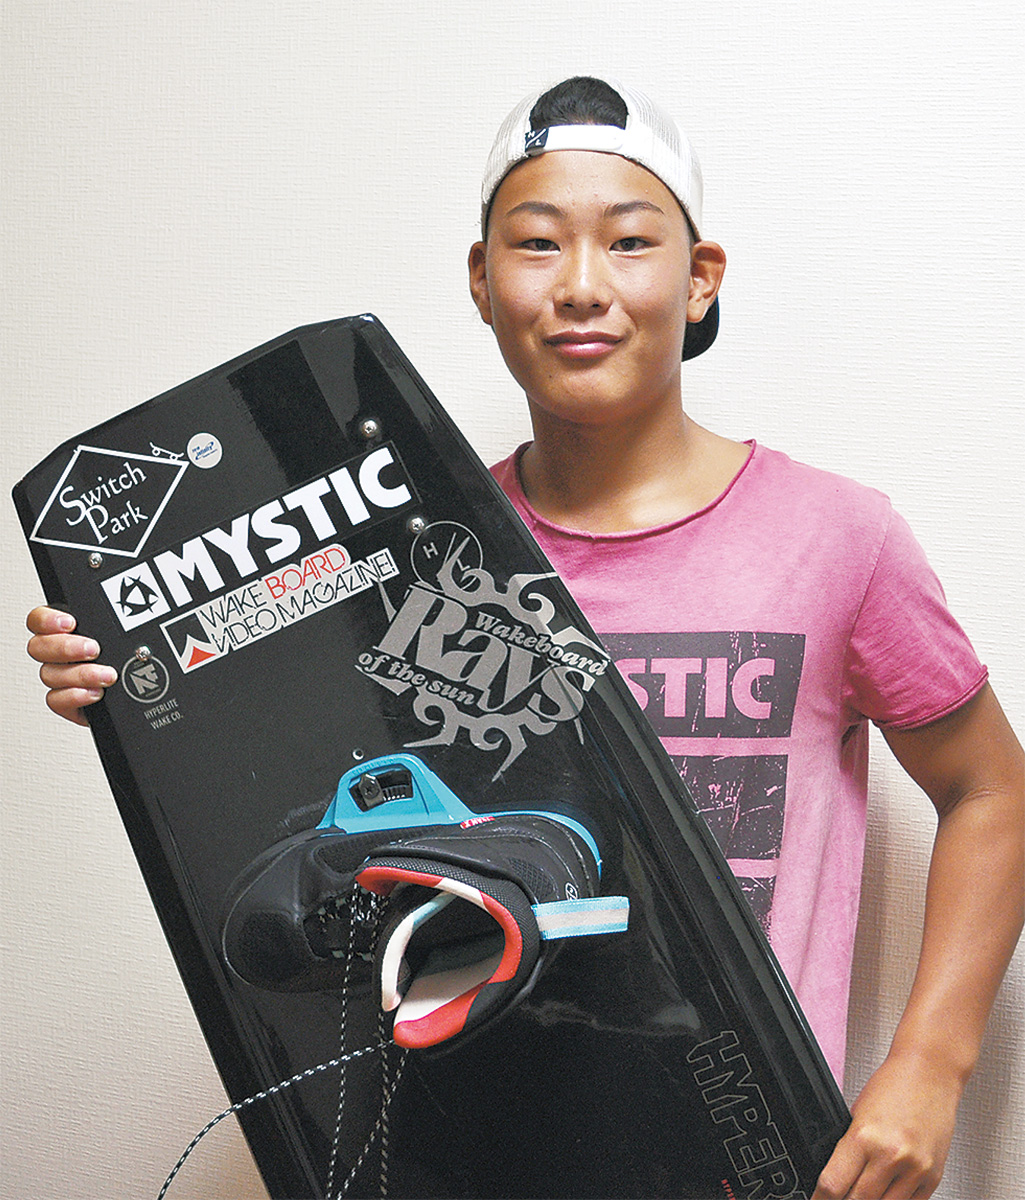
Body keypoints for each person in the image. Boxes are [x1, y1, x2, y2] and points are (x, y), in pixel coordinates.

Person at [26, 76, 1023, 1200]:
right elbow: (316, 809)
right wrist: (135, 687)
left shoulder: (836, 538)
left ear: (699, 279)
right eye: (537, 243)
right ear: (481, 280)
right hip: (488, 1142)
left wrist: (930, 1066)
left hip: (745, 1148)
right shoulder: (403, 563)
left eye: (630, 242)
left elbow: (992, 790)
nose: (582, 286)